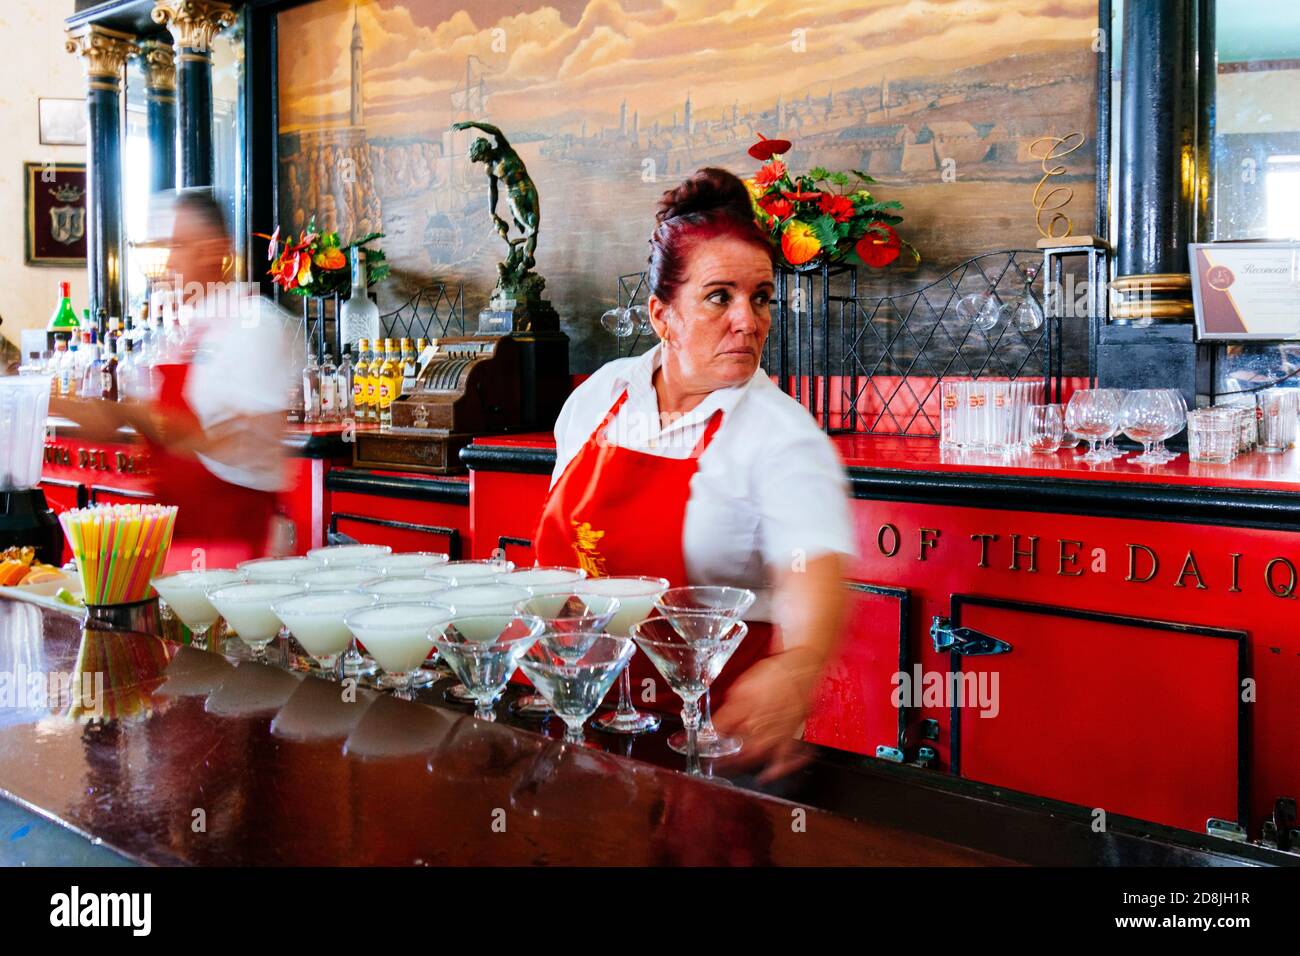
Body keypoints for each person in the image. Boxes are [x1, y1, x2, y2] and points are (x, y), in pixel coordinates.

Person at [534, 167, 856, 779]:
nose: (749, 319)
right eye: (719, 297)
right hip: (580, 716)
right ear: (662, 315)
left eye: (760, 297)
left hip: (710, 739)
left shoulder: (782, 434)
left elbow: (816, 566)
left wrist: (801, 664)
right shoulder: (600, 397)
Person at [50, 189, 295, 570]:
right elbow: (118, 420)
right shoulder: (183, 332)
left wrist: (144, 418)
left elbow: (251, 440)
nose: (166, 261)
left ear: (214, 249)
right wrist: (40, 400)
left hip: (234, 544)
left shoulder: (254, 324)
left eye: (177, 245)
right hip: (177, 542)